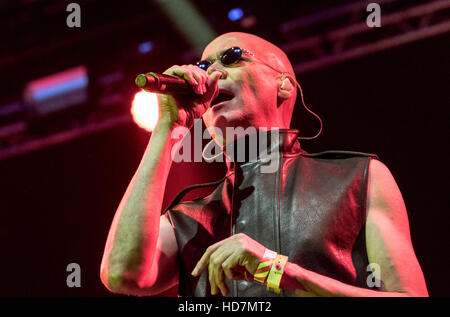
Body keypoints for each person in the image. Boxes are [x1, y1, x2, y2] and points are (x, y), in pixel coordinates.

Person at [100, 32, 428, 297]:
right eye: (204, 65)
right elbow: (122, 274)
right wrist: (167, 127)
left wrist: (279, 271)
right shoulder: (188, 219)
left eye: (232, 58)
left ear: (284, 84)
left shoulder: (358, 177)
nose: (211, 73)